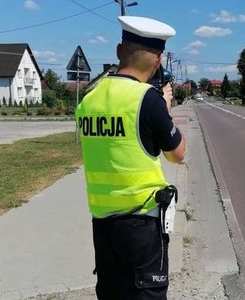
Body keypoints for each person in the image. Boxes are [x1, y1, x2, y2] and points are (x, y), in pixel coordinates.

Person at [75, 15, 186, 299]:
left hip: (102, 225)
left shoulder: (89, 99)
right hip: (141, 225)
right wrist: (166, 107)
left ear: (118, 51)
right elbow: (177, 154)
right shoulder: (148, 100)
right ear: (158, 60)